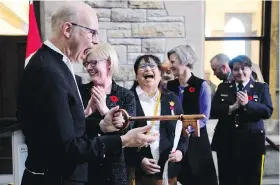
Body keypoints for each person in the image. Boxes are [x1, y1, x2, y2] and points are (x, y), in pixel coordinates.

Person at [17, 3, 157, 185]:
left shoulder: (57, 65)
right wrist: (123, 140)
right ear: (67, 29)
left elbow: (62, 131)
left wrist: (100, 126)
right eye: (92, 32)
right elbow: (67, 147)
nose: (96, 41)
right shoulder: (48, 72)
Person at [79, 43, 136, 185]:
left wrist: (105, 110)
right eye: (87, 63)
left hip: (114, 170)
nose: (89, 68)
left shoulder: (126, 95)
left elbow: (127, 131)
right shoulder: (79, 92)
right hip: (85, 168)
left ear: (109, 63)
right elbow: (72, 128)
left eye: (93, 62)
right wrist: (86, 113)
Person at [211, 55, 273, 185]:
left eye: (244, 68)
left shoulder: (260, 88)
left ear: (250, 69)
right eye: (236, 69)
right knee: (227, 179)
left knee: (251, 180)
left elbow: (267, 111)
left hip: (252, 143)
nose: (240, 72)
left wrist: (248, 104)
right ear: (232, 71)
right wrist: (232, 108)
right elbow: (213, 111)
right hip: (227, 143)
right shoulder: (223, 88)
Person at [128, 55, 189, 185]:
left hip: (168, 170)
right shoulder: (128, 98)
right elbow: (120, 135)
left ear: (160, 74)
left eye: (152, 66)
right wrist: (139, 160)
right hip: (139, 173)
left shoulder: (171, 97)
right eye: (143, 66)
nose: (147, 69)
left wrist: (180, 151)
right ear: (136, 75)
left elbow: (185, 128)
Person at [167, 45, 218, 185]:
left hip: (196, 144)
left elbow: (204, 118)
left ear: (184, 61)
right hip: (175, 143)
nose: (170, 66)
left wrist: (185, 131)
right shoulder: (169, 86)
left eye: (172, 62)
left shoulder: (202, 86)